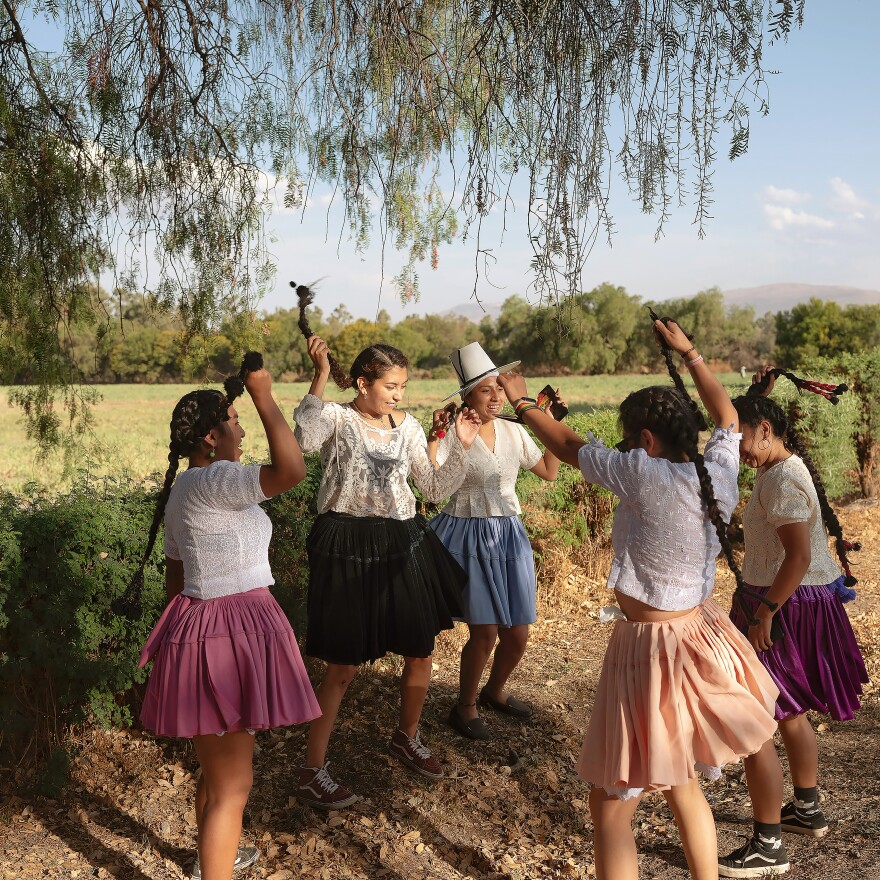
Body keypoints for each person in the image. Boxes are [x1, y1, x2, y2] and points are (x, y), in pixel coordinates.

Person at [495, 322, 786, 880]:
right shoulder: (717, 467)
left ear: (646, 441)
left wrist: (524, 404)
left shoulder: (643, 474)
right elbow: (727, 417)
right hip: (701, 632)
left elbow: (571, 447)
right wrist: (692, 355)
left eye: (632, 441)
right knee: (681, 783)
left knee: (610, 802)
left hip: (653, 650)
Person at [131, 355, 321, 880]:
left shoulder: (185, 491)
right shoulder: (215, 480)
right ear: (211, 437)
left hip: (202, 627)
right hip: (231, 629)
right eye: (233, 421)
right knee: (234, 789)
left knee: (218, 778)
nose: (240, 429)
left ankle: (214, 859)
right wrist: (263, 396)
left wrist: (179, 645)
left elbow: (176, 578)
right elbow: (293, 471)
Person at [293, 335, 482, 808]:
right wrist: (319, 374)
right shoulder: (336, 417)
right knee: (342, 666)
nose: (399, 394)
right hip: (346, 544)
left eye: (403, 386)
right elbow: (304, 443)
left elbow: (433, 487)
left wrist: (458, 445)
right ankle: (312, 768)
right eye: (391, 386)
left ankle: (407, 737)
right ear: (362, 383)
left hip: (403, 540)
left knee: (421, 648)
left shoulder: (411, 427)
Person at [727, 367, 868, 846]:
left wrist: (766, 610)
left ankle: (767, 842)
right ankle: (806, 810)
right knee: (788, 710)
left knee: (759, 711)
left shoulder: (783, 479)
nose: (735, 450)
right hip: (791, 599)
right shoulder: (778, 467)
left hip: (784, 604)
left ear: (765, 430)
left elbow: (800, 555)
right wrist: (756, 396)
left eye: (739, 437)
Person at [425, 342, 562, 740]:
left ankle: (494, 692)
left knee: (518, 632)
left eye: (499, 388)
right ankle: (463, 706)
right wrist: (435, 437)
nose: (497, 397)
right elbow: (431, 478)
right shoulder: (452, 433)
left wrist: (548, 421)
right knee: (484, 632)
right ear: (467, 396)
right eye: (486, 390)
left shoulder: (514, 432)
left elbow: (550, 471)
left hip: (509, 536)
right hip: (466, 533)